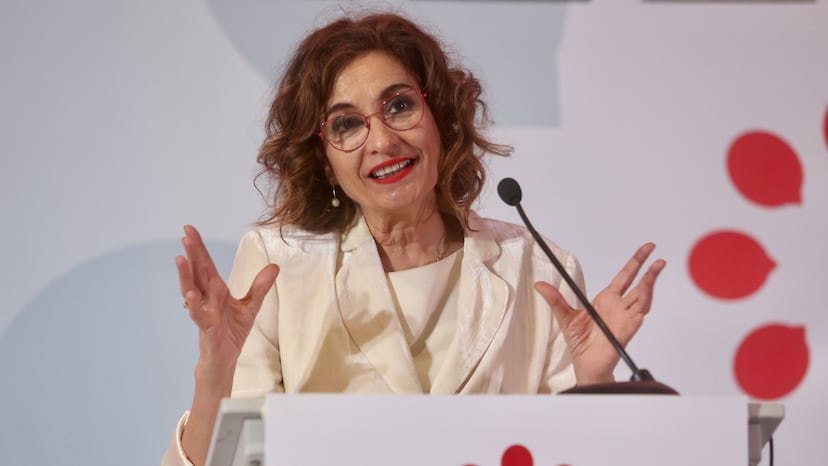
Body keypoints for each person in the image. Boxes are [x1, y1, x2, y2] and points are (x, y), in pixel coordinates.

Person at [160, 11, 665, 466]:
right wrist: (215, 372)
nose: (383, 141)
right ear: (325, 160)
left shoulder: (538, 268)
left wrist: (594, 381)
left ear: (441, 117)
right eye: (346, 124)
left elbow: (571, 454)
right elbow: (231, 460)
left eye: (399, 105)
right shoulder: (279, 265)